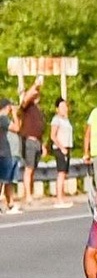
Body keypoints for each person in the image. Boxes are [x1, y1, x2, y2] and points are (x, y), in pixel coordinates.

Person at [17, 77, 47, 207]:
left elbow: (40, 128)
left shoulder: (37, 109)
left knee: (33, 169)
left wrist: (43, 145)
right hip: (29, 140)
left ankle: (31, 193)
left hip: (37, 142)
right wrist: (35, 84)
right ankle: (27, 195)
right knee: (28, 169)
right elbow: (26, 98)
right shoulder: (26, 106)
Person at [49, 97, 73, 208]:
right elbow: (53, 135)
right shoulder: (56, 119)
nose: (65, 109)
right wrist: (61, 147)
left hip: (67, 147)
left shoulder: (66, 120)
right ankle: (59, 199)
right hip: (60, 148)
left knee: (64, 173)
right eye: (62, 107)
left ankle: (62, 197)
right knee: (61, 173)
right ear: (57, 109)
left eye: (65, 106)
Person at [0, 99, 19, 212]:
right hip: (4, 153)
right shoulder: (3, 118)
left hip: (7, 152)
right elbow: (17, 128)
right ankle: (10, 203)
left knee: (7, 180)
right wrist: (15, 114)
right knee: (3, 180)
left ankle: (10, 203)